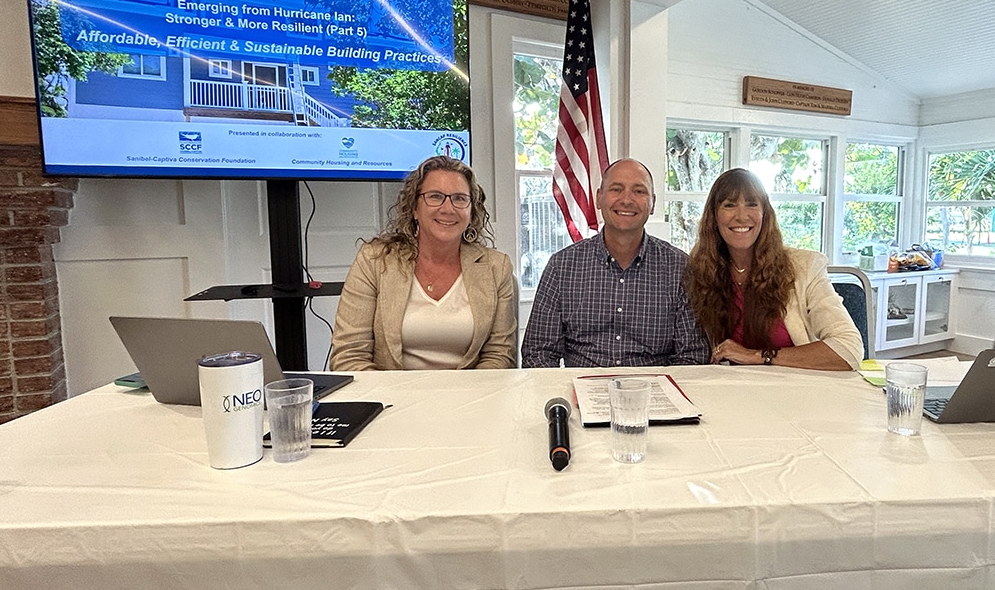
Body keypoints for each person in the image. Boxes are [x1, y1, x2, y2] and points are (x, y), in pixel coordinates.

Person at [330, 156, 517, 371]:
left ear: (471, 211)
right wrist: (396, 401)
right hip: (391, 399)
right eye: (435, 197)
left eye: (459, 199)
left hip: (469, 398)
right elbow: (349, 355)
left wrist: (465, 400)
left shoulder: (496, 267)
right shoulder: (374, 260)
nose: (448, 208)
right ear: (414, 209)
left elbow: (500, 355)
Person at [521, 158, 710, 368]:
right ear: (599, 198)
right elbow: (538, 353)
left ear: (653, 203)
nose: (627, 200)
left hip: (654, 393)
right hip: (579, 392)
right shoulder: (562, 267)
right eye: (616, 189)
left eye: (639, 191)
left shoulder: (680, 268)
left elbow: (692, 356)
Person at [685, 168, 863, 371]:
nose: (742, 216)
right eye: (729, 205)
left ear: (765, 214)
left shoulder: (805, 267)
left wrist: (757, 356)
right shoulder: (700, 271)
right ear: (714, 217)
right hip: (732, 388)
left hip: (798, 389)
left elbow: (849, 349)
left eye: (752, 204)